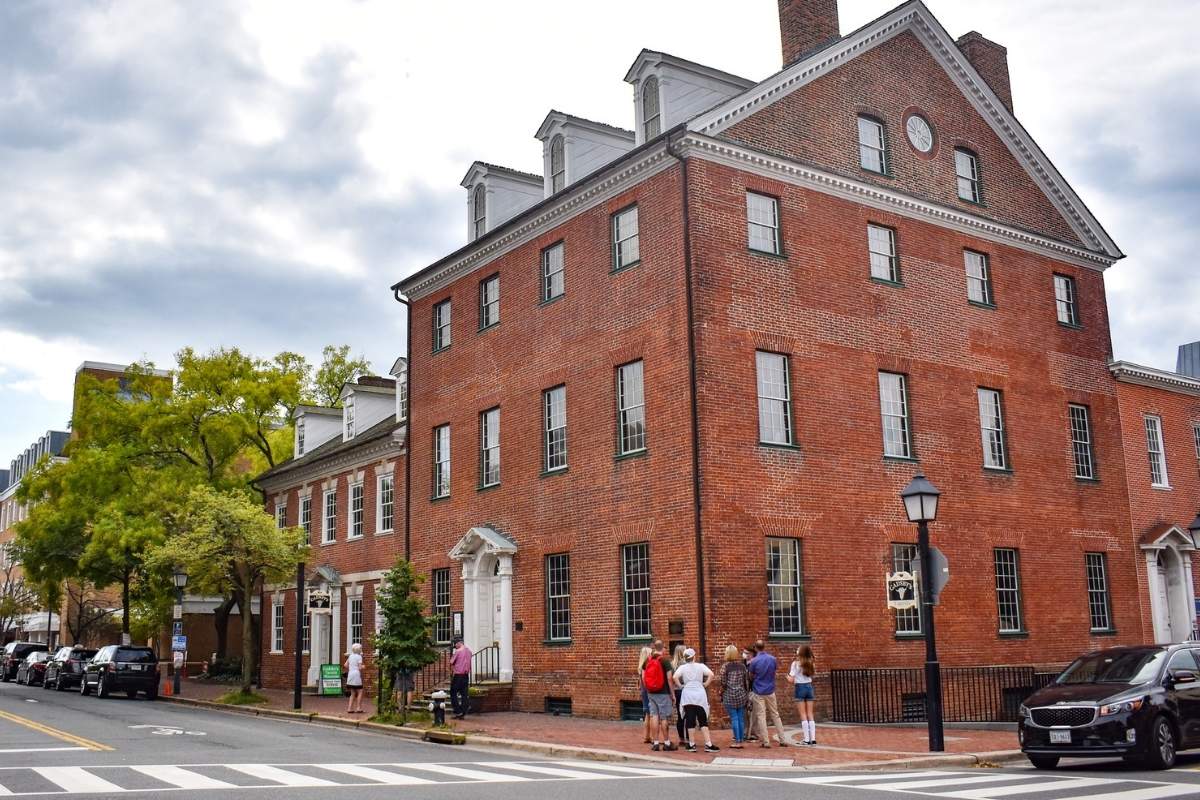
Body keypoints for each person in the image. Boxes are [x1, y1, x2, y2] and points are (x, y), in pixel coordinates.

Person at [674, 648, 719, 753]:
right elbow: (711, 674)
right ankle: (708, 743)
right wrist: (705, 684)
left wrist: (681, 686)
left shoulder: (682, 667)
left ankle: (691, 744)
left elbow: (675, 676)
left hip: (687, 694)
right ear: (694, 656)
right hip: (699, 694)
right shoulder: (701, 666)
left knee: (690, 719)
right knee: (703, 719)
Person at [747, 640, 788, 748]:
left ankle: (766, 741)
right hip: (770, 690)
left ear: (755, 648)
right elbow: (774, 672)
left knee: (761, 716)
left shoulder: (754, 661)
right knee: (775, 714)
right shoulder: (773, 659)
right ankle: (782, 739)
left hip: (758, 691)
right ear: (764, 647)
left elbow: (750, 676)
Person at [641, 640, 677, 751]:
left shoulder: (647, 660)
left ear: (654, 647)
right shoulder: (665, 661)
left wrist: (648, 688)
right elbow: (670, 679)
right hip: (663, 692)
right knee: (664, 717)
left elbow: (643, 677)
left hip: (651, 692)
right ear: (663, 648)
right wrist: (672, 694)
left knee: (654, 716)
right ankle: (666, 743)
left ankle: (656, 743)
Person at [720, 644, 750, 749]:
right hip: (741, 694)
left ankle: (737, 741)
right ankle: (741, 738)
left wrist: (721, 692)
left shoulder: (725, 666)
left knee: (734, 718)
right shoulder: (742, 666)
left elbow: (723, 683)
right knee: (740, 717)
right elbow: (746, 681)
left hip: (730, 694)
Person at [787, 644, 817, 745]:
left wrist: (787, 676)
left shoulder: (795, 664)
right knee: (810, 714)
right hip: (809, 687)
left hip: (800, 687)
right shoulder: (811, 662)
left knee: (803, 715)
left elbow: (791, 679)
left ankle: (806, 739)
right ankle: (813, 738)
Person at [671, 644, 690, 745]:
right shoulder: (685, 664)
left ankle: (681, 738)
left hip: (676, 691)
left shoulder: (672, 664)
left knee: (680, 715)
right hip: (685, 690)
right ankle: (688, 737)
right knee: (687, 714)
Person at [449, 638, 472, 719]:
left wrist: (453, 671)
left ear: (459, 643)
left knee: (453, 692)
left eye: (455, 644)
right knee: (464, 694)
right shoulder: (469, 651)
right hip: (466, 675)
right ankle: (463, 711)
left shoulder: (458, 651)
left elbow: (451, 662)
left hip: (458, 675)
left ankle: (458, 711)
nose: (455, 646)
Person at [637, 646, 654, 744]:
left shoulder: (640, 666)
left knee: (647, 714)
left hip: (643, 691)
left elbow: (640, 682)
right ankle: (652, 736)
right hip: (649, 690)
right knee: (652, 714)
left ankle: (646, 736)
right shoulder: (647, 665)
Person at [344, 643, 364, 714]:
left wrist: (352, 667)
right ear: (359, 650)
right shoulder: (359, 657)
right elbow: (360, 667)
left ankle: (349, 708)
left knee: (352, 693)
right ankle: (358, 707)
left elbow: (345, 665)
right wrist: (363, 667)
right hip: (356, 675)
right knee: (360, 691)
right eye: (361, 648)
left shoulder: (350, 656)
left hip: (350, 674)